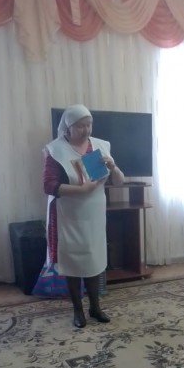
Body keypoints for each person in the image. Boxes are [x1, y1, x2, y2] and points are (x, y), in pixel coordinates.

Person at [43, 104, 125, 328]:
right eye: (80, 126)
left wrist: (113, 167)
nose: (86, 130)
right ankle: (77, 310)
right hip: (69, 215)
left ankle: (95, 307)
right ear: (68, 127)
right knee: (73, 263)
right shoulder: (55, 150)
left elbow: (119, 181)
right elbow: (49, 186)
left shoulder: (101, 146)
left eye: (89, 125)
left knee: (93, 260)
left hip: (94, 214)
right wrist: (81, 190)